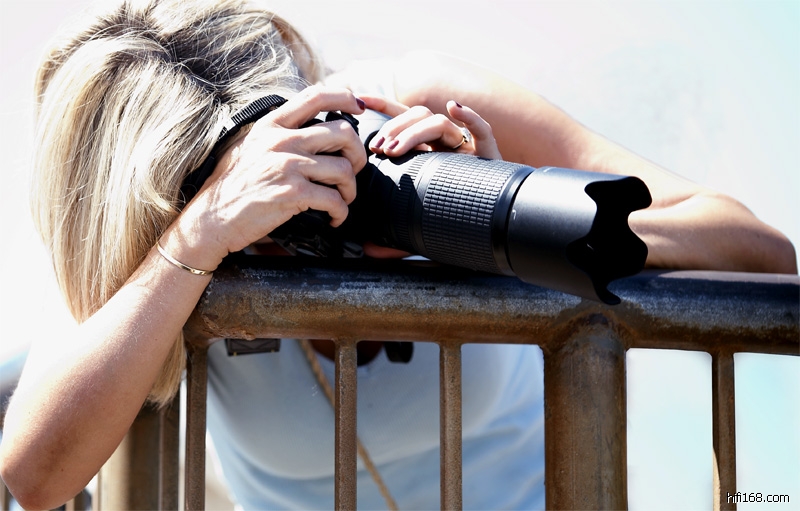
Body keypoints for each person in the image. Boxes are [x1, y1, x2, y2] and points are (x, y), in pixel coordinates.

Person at [0, 0, 795, 509]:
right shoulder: (159, 223)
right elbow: (35, 475)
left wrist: (502, 219)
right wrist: (200, 236)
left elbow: (758, 252)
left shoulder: (411, 104)